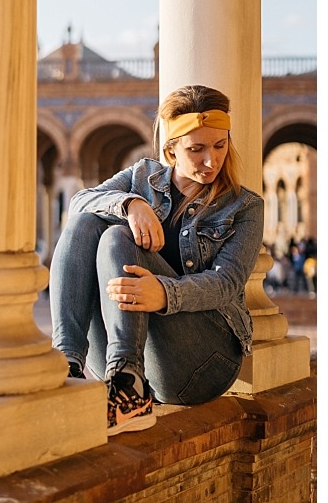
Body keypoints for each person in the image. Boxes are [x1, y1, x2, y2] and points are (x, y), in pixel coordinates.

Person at [50, 85, 263, 436]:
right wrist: (131, 204)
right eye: (196, 149)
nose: (211, 160)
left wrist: (164, 294)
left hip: (202, 360)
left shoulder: (244, 206)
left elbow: (226, 285)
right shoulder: (140, 177)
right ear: (171, 150)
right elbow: (78, 202)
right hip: (135, 351)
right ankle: (69, 363)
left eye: (220, 145)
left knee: (118, 237)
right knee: (89, 220)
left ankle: (129, 392)